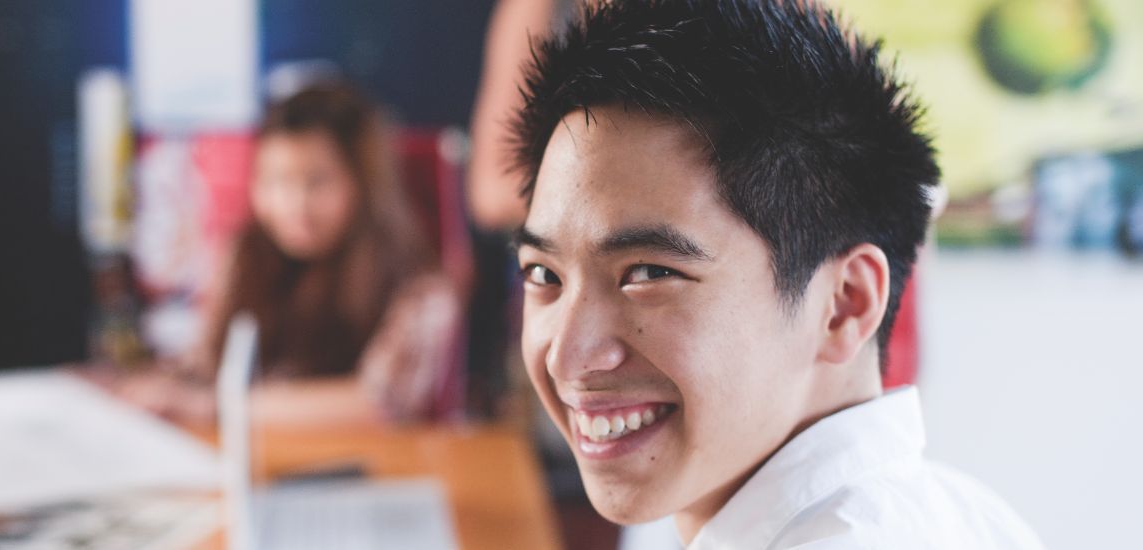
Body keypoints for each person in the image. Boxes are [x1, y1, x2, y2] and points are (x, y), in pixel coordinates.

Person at [508, 0, 1046, 547]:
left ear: (844, 304)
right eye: (543, 274)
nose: (564, 356)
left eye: (647, 273)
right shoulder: (964, 514)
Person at [120, 83, 461, 424]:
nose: (295, 206)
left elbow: (378, 404)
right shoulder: (246, 254)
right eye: (277, 181)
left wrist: (216, 408)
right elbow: (206, 363)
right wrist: (133, 386)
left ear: (365, 184)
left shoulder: (419, 284)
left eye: (317, 181)